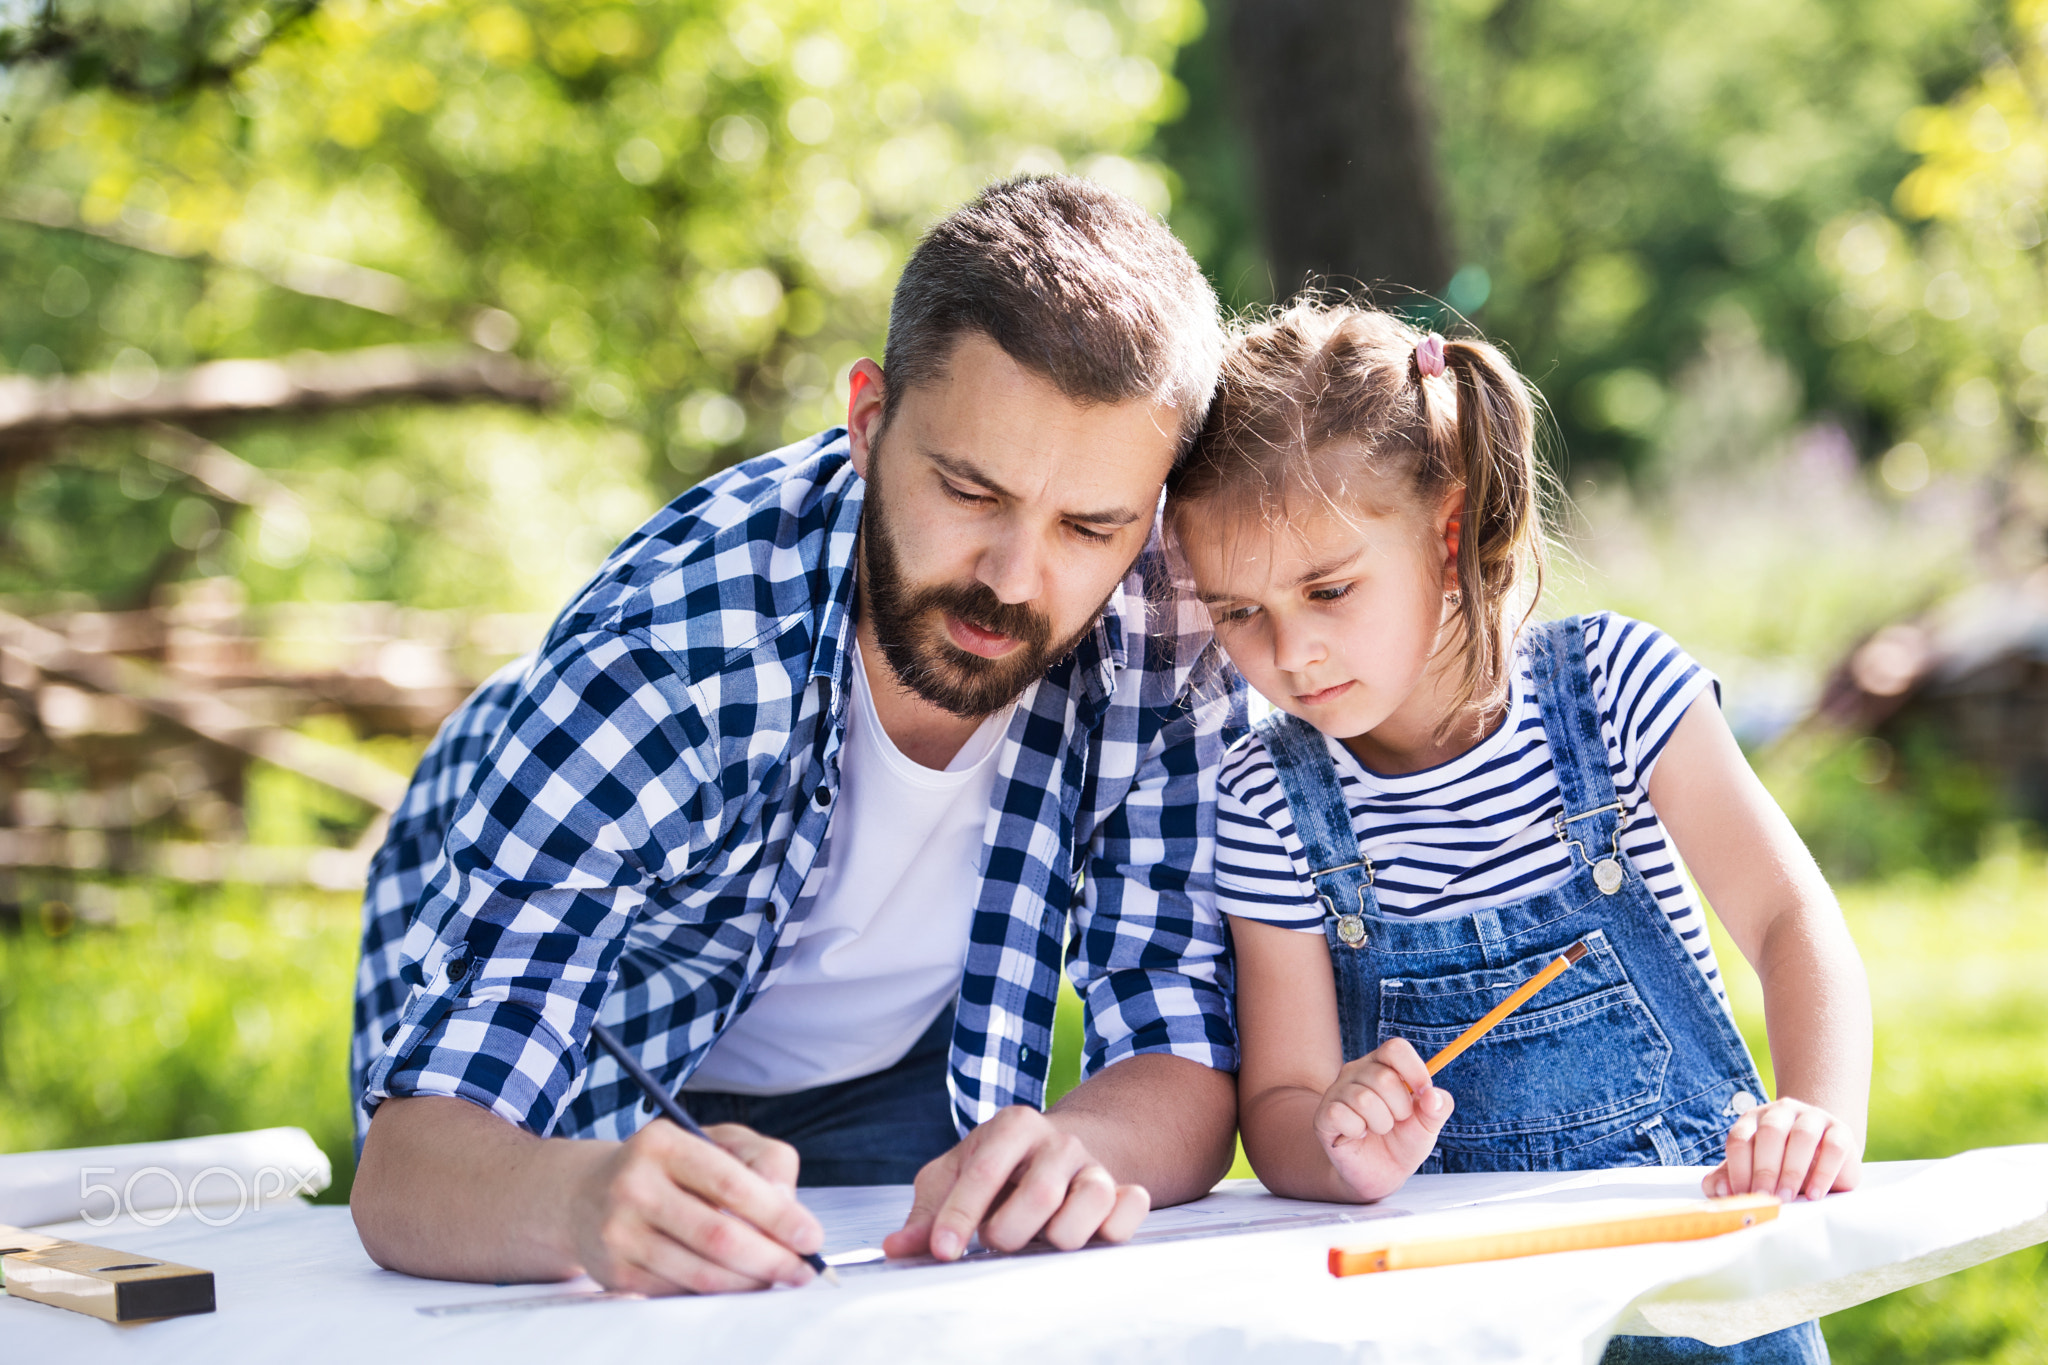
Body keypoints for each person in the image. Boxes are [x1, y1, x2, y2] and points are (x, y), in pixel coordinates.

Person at [348, 175, 1246, 1295]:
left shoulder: (1170, 631)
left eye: (1089, 526)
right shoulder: (665, 657)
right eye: (969, 491)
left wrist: (1082, 1152)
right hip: (593, 1063)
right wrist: (579, 1202)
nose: (1015, 580)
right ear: (868, 423)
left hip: (894, 1055)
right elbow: (412, 1170)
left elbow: (1177, 1039)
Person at [1165, 299, 1871, 1363]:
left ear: (1447, 532)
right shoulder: (1266, 799)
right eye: (1237, 611)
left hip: (1696, 1279)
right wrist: (1334, 1147)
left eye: (1328, 589)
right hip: (1455, 1319)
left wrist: (1814, 1115)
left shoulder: (1615, 689)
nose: (1291, 652)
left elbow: (1785, 918)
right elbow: (1276, 1103)